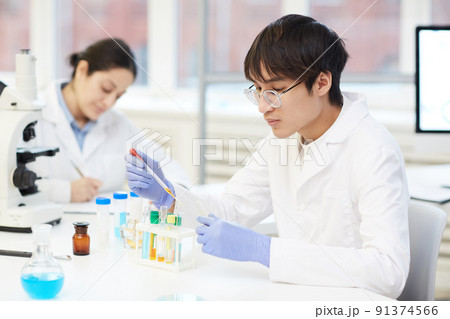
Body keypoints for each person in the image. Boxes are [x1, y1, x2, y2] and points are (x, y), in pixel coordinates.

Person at [125, 15, 409, 299]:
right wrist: (169, 197)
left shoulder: (373, 149)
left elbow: (388, 272)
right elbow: (231, 210)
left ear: (321, 83)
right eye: (258, 90)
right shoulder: (281, 142)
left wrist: (266, 251)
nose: (263, 106)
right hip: (293, 296)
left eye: (275, 90)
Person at [30, 38, 190, 203]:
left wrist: (168, 195)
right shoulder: (30, 115)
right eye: (106, 89)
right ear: (82, 70)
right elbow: (6, 187)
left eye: (118, 96)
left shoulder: (119, 124)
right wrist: (64, 191)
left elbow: (170, 169)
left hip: (104, 225)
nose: (109, 102)